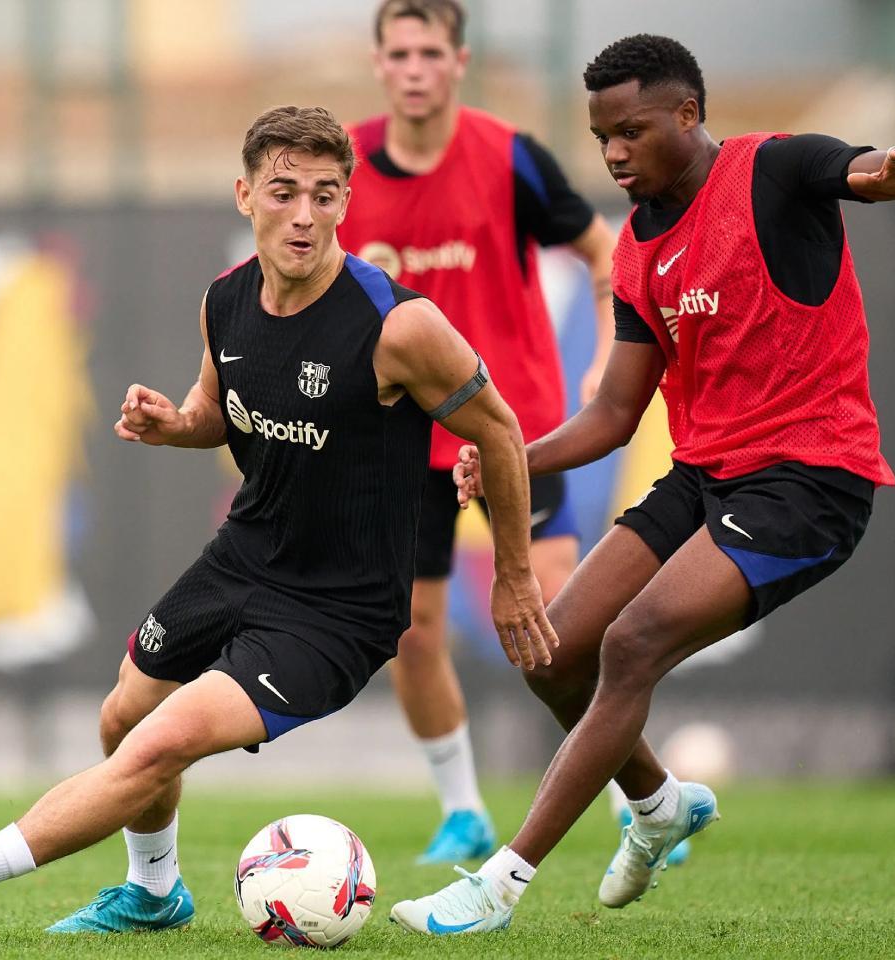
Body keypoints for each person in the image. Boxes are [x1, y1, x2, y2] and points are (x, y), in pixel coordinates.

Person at [0, 105, 557, 937]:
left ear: (346, 203)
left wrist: (515, 575)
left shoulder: (398, 326)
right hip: (243, 559)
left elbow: (500, 430)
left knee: (159, 742)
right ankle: (155, 893)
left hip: (337, 609)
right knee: (122, 716)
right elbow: (216, 409)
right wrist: (176, 423)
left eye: (324, 195)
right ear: (245, 195)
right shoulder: (226, 300)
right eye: (283, 192)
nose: (304, 215)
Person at [391, 33, 895, 934]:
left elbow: (861, 169)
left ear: (688, 114)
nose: (614, 153)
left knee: (633, 642)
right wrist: (509, 456)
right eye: (602, 137)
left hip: (809, 479)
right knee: (552, 653)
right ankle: (658, 805)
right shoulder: (638, 252)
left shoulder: (773, 170)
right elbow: (615, 412)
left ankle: (499, 885)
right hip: (705, 477)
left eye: (631, 131)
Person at [337, 0, 625, 865]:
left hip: (511, 431)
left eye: (431, 51)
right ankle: (463, 809)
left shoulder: (510, 158)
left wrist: (606, 360)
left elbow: (604, 252)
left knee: (558, 619)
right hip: (399, 439)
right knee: (409, 632)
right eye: (400, 53)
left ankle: (632, 798)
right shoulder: (341, 167)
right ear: (379, 63)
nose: (415, 68)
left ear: (459, 62)